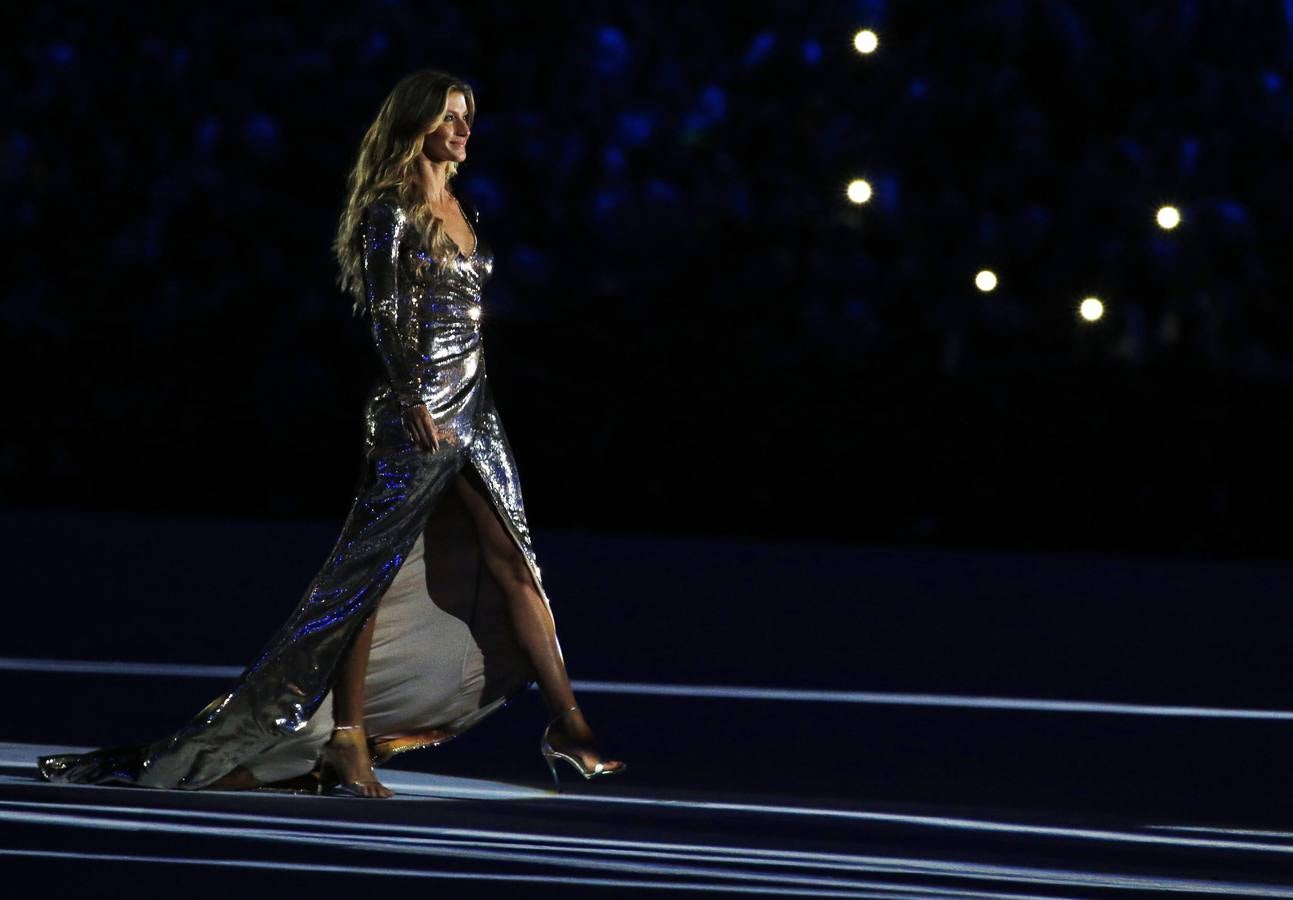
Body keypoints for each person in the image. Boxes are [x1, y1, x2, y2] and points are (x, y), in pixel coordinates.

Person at [36, 69, 626, 798]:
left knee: (513, 560)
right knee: (366, 577)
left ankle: (567, 723)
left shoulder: (460, 204)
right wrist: (412, 393)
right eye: (447, 117)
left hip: (475, 407)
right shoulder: (392, 209)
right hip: (417, 409)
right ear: (415, 124)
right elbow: (385, 312)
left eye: (466, 117)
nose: (462, 130)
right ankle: (346, 739)